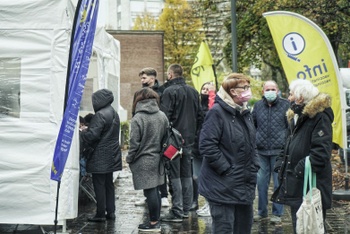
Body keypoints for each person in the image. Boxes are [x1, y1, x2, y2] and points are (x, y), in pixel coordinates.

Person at [198, 73, 259, 233]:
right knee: (224, 229)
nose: (248, 90)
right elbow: (207, 146)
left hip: (244, 184)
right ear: (232, 91)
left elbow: (252, 144)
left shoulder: (245, 113)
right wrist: (226, 169)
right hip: (222, 186)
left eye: (248, 87)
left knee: (244, 228)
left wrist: (254, 165)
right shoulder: (217, 112)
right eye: (244, 87)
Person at [271, 79, 333, 233]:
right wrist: (280, 165)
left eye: (291, 94)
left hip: (309, 186)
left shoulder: (319, 117)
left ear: (300, 98)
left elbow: (321, 154)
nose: (288, 97)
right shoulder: (295, 116)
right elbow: (287, 146)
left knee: (311, 228)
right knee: (299, 227)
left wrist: (297, 171)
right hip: (296, 184)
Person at [160, 64, 203, 222]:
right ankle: (186, 208)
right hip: (189, 140)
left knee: (174, 175)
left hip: (173, 141)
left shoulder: (169, 91)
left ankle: (177, 211)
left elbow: (164, 118)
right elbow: (200, 116)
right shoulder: (193, 91)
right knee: (187, 174)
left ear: (170, 74)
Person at [126, 88, 169, 232]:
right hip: (158, 158)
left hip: (142, 160)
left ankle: (153, 223)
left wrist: (129, 158)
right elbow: (166, 137)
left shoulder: (138, 118)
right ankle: (155, 219)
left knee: (150, 192)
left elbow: (134, 143)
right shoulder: (162, 115)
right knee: (155, 190)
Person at [81, 89, 122, 222]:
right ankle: (111, 212)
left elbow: (93, 136)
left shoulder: (100, 114)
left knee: (99, 184)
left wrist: (82, 133)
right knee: (109, 184)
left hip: (100, 155)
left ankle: (100, 214)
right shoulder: (114, 113)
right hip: (112, 154)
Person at [252, 80, 289, 224]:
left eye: (273, 89)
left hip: (278, 151)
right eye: (267, 89)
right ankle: (261, 212)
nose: (270, 92)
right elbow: (253, 125)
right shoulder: (258, 105)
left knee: (278, 182)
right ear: (263, 91)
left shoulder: (286, 105)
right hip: (261, 151)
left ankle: (277, 214)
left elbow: (289, 127)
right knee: (261, 183)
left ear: (278, 90)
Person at [136, 67, 170, 208]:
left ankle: (163, 195)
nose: (142, 80)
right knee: (145, 167)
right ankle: (148, 195)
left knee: (160, 165)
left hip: (158, 131)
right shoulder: (140, 93)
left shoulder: (162, 92)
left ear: (152, 78)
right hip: (145, 131)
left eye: (144, 78)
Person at [192, 81, 216, 217]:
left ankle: (210, 204)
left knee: (207, 177)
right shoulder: (196, 105)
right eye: (204, 88)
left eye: (209, 89)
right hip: (196, 146)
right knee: (196, 176)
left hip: (208, 147)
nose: (205, 91)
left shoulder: (215, 106)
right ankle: (208, 202)